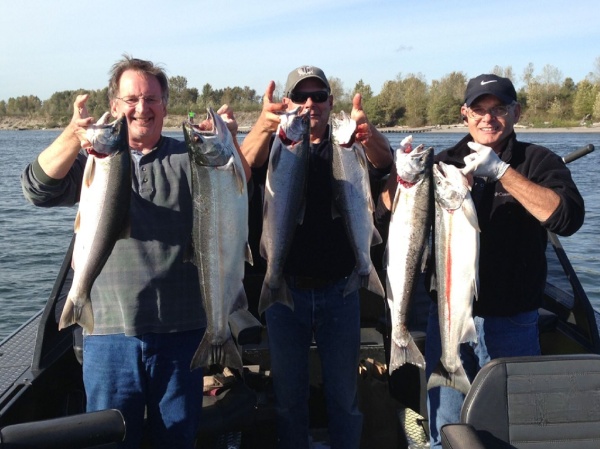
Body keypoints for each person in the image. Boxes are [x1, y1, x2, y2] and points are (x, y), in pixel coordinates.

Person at [21, 55, 248, 449]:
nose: (142, 108)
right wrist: (73, 134)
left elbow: (239, 193)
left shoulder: (191, 158)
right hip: (108, 335)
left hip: (182, 335)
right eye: (131, 100)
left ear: (164, 106)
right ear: (115, 107)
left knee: (176, 441)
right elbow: (37, 189)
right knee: (110, 440)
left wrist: (228, 143)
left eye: (152, 99)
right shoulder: (93, 162)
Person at [421, 74, 585, 448]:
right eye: (478, 110)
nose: (488, 118)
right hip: (448, 318)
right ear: (465, 114)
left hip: (514, 321)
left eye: (499, 109)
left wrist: (502, 172)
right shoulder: (445, 164)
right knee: (446, 428)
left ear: (516, 112)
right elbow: (402, 221)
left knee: (512, 431)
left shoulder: (538, 161)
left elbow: (568, 218)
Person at [241, 65, 394, 449]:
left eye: (320, 96)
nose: (312, 104)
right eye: (302, 96)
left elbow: (385, 164)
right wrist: (263, 125)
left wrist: (368, 133)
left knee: (345, 398)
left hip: (340, 292)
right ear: (288, 102)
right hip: (284, 292)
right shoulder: (277, 144)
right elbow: (239, 168)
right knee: (289, 400)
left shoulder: (350, 146)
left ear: (331, 102)